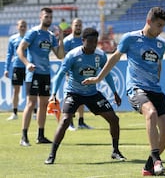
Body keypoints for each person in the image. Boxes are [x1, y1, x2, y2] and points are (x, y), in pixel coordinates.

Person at [82, 7, 165, 176]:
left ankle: (148, 168)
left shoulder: (162, 44)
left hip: (155, 90)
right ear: (149, 22)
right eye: (159, 25)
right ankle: (157, 160)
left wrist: (157, 77)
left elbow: (158, 63)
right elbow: (114, 58)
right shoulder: (130, 38)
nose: (161, 30)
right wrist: (98, 79)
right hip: (136, 88)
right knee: (151, 114)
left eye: (163, 26)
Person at [44, 28, 126, 164]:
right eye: (90, 42)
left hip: (92, 93)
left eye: (95, 42)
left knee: (114, 119)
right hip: (73, 93)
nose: (93, 45)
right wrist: (53, 94)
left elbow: (107, 74)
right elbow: (59, 75)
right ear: (83, 41)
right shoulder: (72, 55)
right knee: (65, 121)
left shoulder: (100, 55)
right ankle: (52, 154)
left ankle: (115, 151)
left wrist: (115, 92)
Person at [17, 7, 65, 146]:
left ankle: (40, 135)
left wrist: (60, 37)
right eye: (46, 17)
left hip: (45, 74)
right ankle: (24, 137)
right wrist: (27, 63)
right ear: (40, 17)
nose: (48, 19)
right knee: (31, 103)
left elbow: (60, 55)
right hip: (33, 73)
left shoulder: (50, 36)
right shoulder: (33, 33)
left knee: (44, 104)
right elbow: (20, 49)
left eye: (50, 17)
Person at [4, 20, 38, 120]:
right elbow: (9, 54)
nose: (22, 28)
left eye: (24, 26)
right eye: (21, 26)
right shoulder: (12, 39)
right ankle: (14, 113)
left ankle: (35, 113)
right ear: (17, 27)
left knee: (32, 91)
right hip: (17, 67)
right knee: (16, 91)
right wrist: (6, 69)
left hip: (29, 67)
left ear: (26, 27)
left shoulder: (30, 38)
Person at [63, 18, 92, 130]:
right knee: (70, 98)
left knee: (82, 97)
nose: (78, 27)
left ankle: (81, 121)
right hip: (71, 74)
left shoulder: (83, 40)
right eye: (76, 25)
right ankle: (70, 122)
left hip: (83, 73)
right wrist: (66, 72)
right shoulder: (67, 41)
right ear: (72, 26)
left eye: (80, 25)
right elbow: (64, 58)